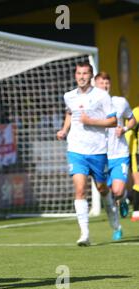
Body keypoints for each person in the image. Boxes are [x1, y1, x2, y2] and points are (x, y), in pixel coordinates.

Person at [57, 62, 117, 246]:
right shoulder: (69, 96)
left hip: (98, 151)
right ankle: (85, 234)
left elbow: (113, 121)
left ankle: (113, 217)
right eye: (79, 73)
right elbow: (70, 113)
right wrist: (64, 130)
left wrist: (90, 121)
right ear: (75, 76)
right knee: (80, 190)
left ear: (91, 76)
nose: (82, 76)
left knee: (101, 189)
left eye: (85, 73)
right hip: (76, 150)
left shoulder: (102, 95)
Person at [94, 72, 136, 240]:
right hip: (100, 156)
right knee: (107, 193)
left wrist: (124, 129)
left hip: (119, 154)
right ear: (95, 85)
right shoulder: (92, 107)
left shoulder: (120, 102)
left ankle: (124, 197)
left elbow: (132, 119)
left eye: (107, 83)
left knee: (117, 191)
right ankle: (116, 227)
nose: (104, 85)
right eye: (101, 83)